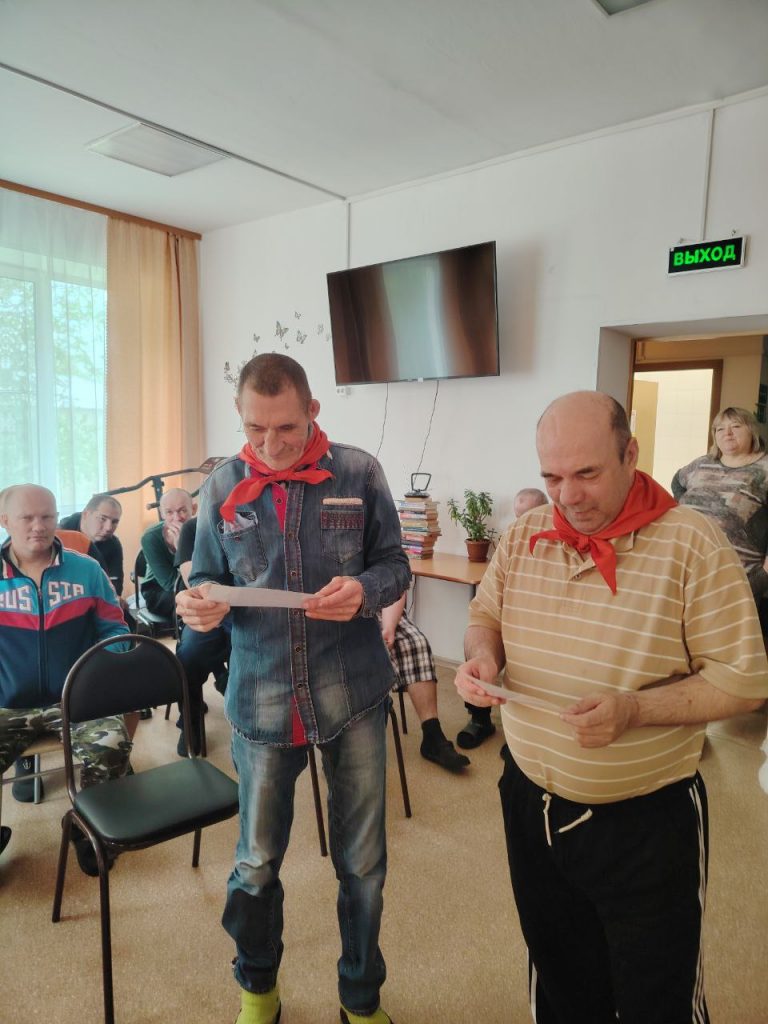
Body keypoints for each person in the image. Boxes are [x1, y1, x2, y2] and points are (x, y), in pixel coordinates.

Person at [455, 391, 768, 1024]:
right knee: (561, 978)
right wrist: (483, 658)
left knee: (657, 998)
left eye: (587, 473)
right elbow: (484, 615)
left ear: (630, 455)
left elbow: (744, 684)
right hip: (529, 801)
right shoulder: (523, 533)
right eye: (552, 477)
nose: (567, 496)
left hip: (645, 823)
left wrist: (634, 710)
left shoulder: (692, 542)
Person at [176, 353, 410, 1024]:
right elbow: (203, 578)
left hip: (352, 693)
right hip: (262, 698)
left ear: (312, 411)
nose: (271, 445)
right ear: (240, 417)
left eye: (285, 427)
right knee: (255, 864)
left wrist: (365, 589)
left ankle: (360, 998)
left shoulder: (360, 472)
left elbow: (396, 565)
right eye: (255, 429)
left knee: (362, 865)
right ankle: (258, 990)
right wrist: (196, 604)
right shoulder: (222, 485)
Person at [0, 484, 131, 873]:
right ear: (5, 521)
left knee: (113, 745)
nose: (38, 526)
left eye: (47, 516)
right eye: (27, 518)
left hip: (74, 698)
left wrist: (102, 672)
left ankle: (86, 827)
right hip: (7, 704)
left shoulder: (86, 569)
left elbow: (116, 631)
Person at [456, 486, 549, 750]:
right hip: (509, 620)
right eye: (518, 516)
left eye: (528, 515)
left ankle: (521, 731)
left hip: (538, 629)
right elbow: (486, 608)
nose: (522, 523)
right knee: (477, 646)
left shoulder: (555, 542)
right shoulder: (512, 538)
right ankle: (480, 719)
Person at [672, 406, 768, 610]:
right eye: (720, 429)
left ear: (752, 431)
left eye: (736, 426)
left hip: (737, 582)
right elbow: (677, 482)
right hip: (686, 575)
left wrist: (762, 577)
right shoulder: (702, 464)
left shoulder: (764, 468)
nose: (727, 433)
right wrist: (685, 507)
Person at [380, 594, 469, 773]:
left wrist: (389, 627)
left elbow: (395, 590)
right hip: (341, 618)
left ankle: (432, 735)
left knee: (416, 643)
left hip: (381, 609)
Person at [173, 514, 231, 757]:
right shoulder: (193, 527)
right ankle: (190, 723)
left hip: (254, 615)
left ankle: (229, 685)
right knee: (188, 657)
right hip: (210, 609)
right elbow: (192, 578)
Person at [140, 487, 194, 618]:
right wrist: (182, 547)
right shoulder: (150, 537)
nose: (177, 518)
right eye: (169, 512)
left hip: (191, 587)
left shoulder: (202, 531)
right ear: (162, 514)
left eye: (182, 510)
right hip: (158, 590)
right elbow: (170, 584)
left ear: (194, 509)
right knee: (190, 602)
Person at [59, 493, 125, 596]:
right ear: (86, 514)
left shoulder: (113, 544)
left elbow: (115, 588)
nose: (108, 528)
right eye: (102, 519)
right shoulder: (59, 537)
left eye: (114, 522)